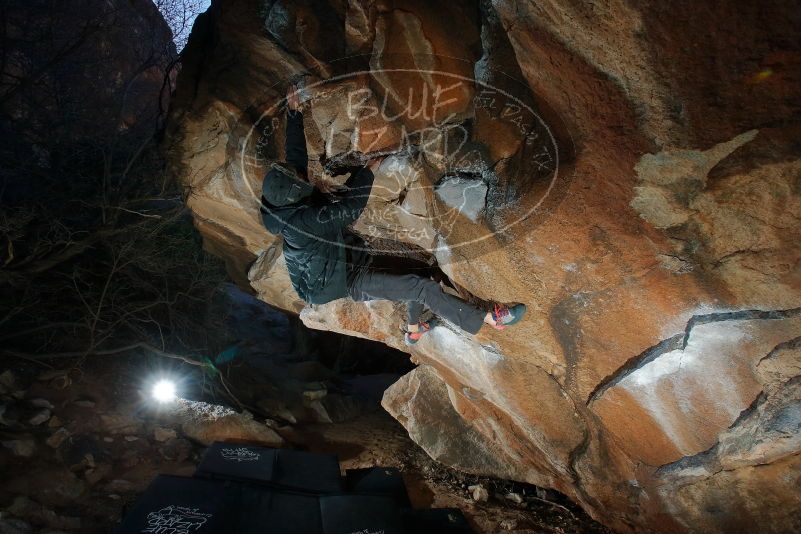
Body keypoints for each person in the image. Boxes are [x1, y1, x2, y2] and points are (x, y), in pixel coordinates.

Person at [259, 85, 526, 345]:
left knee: (422, 272)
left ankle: (413, 329)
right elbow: (348, 210)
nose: (306, 179)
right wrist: (368, 172)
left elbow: (295, 159)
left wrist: (293, 112)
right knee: (422, 288)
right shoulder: (299, 224)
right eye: (301, 181)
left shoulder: (283, 199)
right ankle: (488, 318)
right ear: (294, 195)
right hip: (341, 279)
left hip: (342, 259)